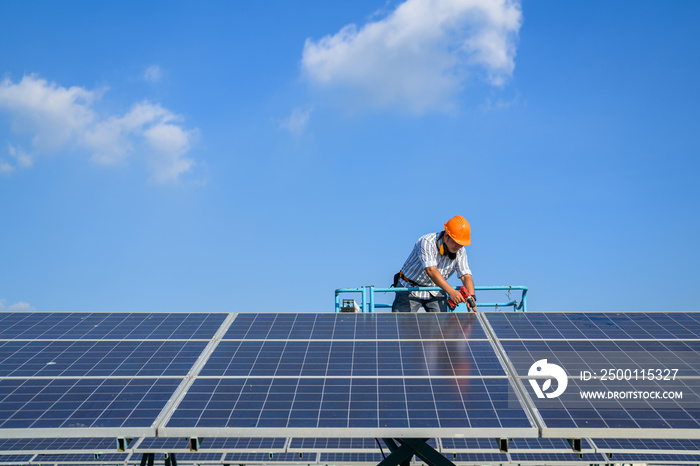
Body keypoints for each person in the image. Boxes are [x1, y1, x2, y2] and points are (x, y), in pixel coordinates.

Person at [392, 216, 477, 313]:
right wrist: (452, 292)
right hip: (410, 288)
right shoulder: (427, 242)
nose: (458, 246)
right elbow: (431, 270)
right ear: (446, 236)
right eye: (455, 242)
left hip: (436, 289)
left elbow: (465, 275)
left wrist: (471, 296)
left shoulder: (460, 250)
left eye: (461, 244)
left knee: (440, 326)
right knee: (402, 325)